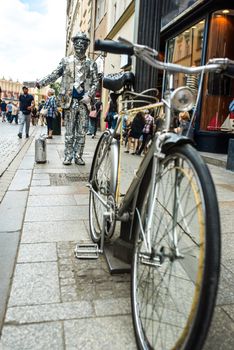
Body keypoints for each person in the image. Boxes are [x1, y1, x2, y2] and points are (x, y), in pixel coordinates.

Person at [37, 32, 98, 165]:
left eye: (83, 43)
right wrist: (41, 82)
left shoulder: (91, 64)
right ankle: (68, 156)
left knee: (81, 132)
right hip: (69, 102)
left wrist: (89, 95)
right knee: (69, 131)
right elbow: (55, 74)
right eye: (77, 43)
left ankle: (78, 156)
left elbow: (95, 82)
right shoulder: (66, 61)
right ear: (74, 44)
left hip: (84, 103)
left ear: (87, 45)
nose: (80, 45)